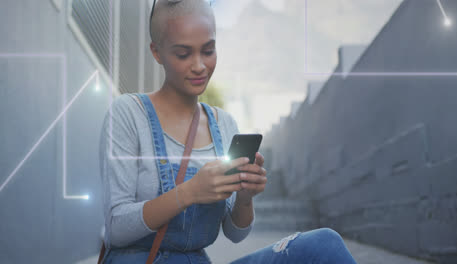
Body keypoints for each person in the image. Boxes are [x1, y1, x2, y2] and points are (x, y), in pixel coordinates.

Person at [98, 0, 357, 263]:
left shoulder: (224, 125)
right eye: (183, 53)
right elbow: (116, 229)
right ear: (157, 52)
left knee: (323, 244)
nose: (199, 66)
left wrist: (245, 197)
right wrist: (190, 192)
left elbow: (235, 233)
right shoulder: (128, 113)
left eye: (208, 50)